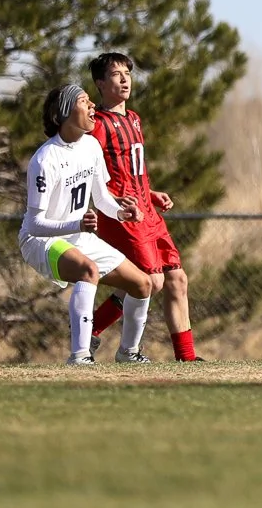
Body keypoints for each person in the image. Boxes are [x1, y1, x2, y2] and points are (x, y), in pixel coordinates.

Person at [21, 85, 154, 364]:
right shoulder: (45, 160)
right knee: (88, 270)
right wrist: (77, 223)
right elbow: (33, 225)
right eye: (84, 101)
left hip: (78, 236)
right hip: (41, 241)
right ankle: (80, 356)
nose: (93, 105)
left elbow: (102, 197)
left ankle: (128, 353)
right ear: (65, 112)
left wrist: (121, 213)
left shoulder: (91, 145)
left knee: (143, 284)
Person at [85, 52, 202, 362]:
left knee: (176, 278)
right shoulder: (97, 123)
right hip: (124, 214)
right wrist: (111, 201)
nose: (125, 79)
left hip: (146, 211)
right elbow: (93, 172)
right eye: (115, 74)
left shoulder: (134, 118)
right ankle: (124, 350)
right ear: (100, 83)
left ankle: (187, 359)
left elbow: (130, 169)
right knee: (151, 280)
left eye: (127, 73)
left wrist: (150, 193)